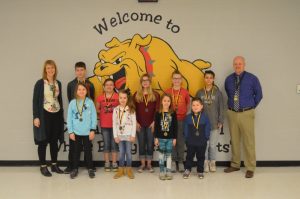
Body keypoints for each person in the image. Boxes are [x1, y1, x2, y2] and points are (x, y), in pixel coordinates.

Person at [224, 56, 263, 178]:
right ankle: (235, 164)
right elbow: (228, 93)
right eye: (235, 64)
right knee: (234, 140)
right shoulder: (229, 79)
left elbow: (259, 95)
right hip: (232, 112)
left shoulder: (252, 78)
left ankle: (250, 167)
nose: (237, 66)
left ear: (244, 64)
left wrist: (250, 107)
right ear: (233, 65)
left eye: (240, 63)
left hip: (246, 113)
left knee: (248, 141)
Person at [32, 60, 64, 177]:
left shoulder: (58, 83)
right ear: (45, 70)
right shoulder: (40, 83)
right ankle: (43, 166)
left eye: (52, 68)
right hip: (44, 114)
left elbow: (59, 100)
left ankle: (54, 165)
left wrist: (61, 115)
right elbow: (35, 101)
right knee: (43, 141)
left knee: (54, 141)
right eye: (48, 68)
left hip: (56, 114)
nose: (50, 70)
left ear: (55, 69)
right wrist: (36, 117)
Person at [64, 61, 95, 174]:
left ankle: (89, 166)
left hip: (86, 124)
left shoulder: (90, 84)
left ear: (85, 71)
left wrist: (92, 128)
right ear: (75, 71)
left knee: (88, 148)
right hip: (76, 122)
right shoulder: (70, 84)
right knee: (73, 148)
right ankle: (72, 166)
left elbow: (92, 100)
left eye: (82, 70)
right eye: (77, 70)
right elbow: (70, 100)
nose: (80, 72)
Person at [67, 83, 97, 179]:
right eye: (79, 89)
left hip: (87, 132)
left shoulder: (90, 102)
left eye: (83, 89)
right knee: (76, 151)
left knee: (88, 151)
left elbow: (94, 117)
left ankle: (90, 168)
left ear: (86, 91)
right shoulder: (72, 103)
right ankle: (75, 168)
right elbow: (69, 118)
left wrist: (92, 130)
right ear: (76, 91)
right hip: (76, 132)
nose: (81, 91)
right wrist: (71, 131)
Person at [196, 70, 224, 172]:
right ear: (204, 79)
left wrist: (220, 120)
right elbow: (196, 107)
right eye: (206, 77)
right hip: (202, 124)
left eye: (210, 78)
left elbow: (221, 107)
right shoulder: (199, 92)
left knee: (212, 145)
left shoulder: (218, 93)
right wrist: (197, 121)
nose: (208, 79)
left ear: (213, 79)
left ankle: (212, 162)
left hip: (214, 123)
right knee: (204, 145)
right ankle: (205, 163)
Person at [134, 74, 160, 173]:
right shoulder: (136, 94)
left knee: (150, 144)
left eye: (147, 80)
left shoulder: (155, 94)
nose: (145, 82)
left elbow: (157, 110)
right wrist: (136, 122)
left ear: (150, 82)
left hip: (151, 124)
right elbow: (134, 110)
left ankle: (149, 165)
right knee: (141, 144)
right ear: (141, 82)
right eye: (143, 80)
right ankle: (142, 164)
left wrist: (154, 122)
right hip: (139, 124)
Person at [164, 70, 190, 172]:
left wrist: (185, 114)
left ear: (181, 80)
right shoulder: (167, 92)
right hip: (170, 120)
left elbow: (188, 104)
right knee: (171, 141)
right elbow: (164, 105)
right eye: (175, 78)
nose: (176, 80)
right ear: (172, 79)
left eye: (178, 78)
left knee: (180, 141)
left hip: (181, 119)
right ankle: (173, 161)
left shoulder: (185, 92)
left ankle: (180, 161)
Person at [183, 98, 211, 179]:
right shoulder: (188, 117)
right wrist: (187, 138)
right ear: (191, 107)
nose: (195, 107)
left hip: (201, 142)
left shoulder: (205, 117)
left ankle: (200, 171)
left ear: (201, 106)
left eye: (197, 105)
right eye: (193, 105)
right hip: (191, 141)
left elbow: (208, 128)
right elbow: (185, 128)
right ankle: (187, 169)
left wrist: (206, 137)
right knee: (189, 156)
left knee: (201, 156)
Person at [96, 78, 119, 172]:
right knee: (106, 144)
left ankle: (114, 163)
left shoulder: (118, 96)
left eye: (111, 85)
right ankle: (106, 163)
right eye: (107, 85)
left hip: (115, 125)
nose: (109, 86)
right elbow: (97, 109)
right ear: (104, 87)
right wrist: (102, 110)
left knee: (114, 144)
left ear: (114, 86)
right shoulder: (100, 97)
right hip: (104, 124)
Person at [113, 90, 136, 179]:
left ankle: (129, 170)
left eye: (124, 98)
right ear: (118, 98)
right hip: (120, 135)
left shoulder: (131, 109)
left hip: (129, 135)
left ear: (127, 99)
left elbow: (134, 123)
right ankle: (121, 170)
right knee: (121, 153)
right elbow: (114, 123)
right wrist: (115, 136)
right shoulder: (116, 110)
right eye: (121, 98)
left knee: (128, 153)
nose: (122, 100)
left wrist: (133, 135)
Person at [154, 94, 177, 180]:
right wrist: (156, 138)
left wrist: (175, 138)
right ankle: (161, 171)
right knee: (161, 155)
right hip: (160, 138)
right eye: (164, 101)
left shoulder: (173, 113)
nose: (166, 102)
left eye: (168, 101)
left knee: (169, 155)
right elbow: (156, 126)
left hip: (170, 138)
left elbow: (175, 126)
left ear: (170, 102)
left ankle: (168, 171)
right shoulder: (158, 113)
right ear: (161, 102)